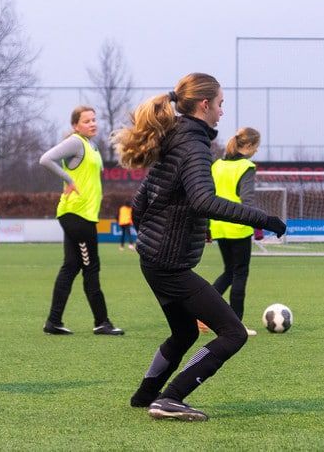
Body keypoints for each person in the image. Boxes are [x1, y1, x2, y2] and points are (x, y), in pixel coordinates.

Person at [113, 73, 286, 421]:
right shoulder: (193, 146)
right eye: (220, 104)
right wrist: (263, 219)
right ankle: (171, 397)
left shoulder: (172, 137)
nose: (222, 112)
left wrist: (157, 232)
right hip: (169, 263)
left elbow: (141, 201)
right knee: (234, 333)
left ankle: (146, 394)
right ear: (204, 105)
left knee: (185, 331)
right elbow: (204, 200)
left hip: (155, 257)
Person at [38, 105, 124, 336]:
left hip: (82, 215)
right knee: (91, 267)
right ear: (76, 126)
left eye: (94, 119)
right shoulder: (76, 142)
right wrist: (68, 180)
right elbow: (45, 159)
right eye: (87, 121)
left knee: (71, 266)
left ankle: (53, 321)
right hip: (77, 216)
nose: (92, 123)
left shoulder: (91, 146)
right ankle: (102, 322)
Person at [209, 127, 262, 337]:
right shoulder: (246, 166)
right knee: (240, 273)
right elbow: (247, 202)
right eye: (256, 147)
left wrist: (206, 227)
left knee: (229, 272)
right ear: (248, 146)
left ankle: (201, 312)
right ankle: (236, 326)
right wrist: (258, 225)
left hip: (218, 225)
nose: (256, 152)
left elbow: (207, 196)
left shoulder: (217, 165)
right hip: (238, 226)